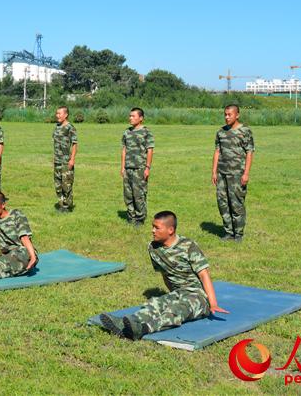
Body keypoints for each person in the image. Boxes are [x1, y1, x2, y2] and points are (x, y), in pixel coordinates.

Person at [99, 211, 228, 340]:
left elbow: (204, 275)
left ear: (170, 230)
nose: (152, 231)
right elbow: (165, 274)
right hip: (179, 293)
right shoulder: (153, 248)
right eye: (152, 226)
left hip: (198, 296)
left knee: (176, 310)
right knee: (155, 304)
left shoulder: (188, 246)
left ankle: (143, 329)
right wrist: (172, 296)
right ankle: (124, 323)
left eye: (157, 227)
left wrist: (213, 304)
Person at [211, 104, 254, 242]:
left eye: (229, 114)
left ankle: (239, 233)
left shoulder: (245, 131)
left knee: (236, 203)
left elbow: (249, 152)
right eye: (225, 114)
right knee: (223, 203)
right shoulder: (220, 132)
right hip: (222, 174)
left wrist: (246, 173)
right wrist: (214, 171)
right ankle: (228, 232)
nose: (226, 117)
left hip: (237, 174)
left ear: (237, 115)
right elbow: (217, 151)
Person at [121, 107, 155, 226]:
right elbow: (124, 150)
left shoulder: (146, 132)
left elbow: (149, 150)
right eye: (130, 116)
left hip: (140, 168)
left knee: (139, 194)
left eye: (133, 116)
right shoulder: (126, 132)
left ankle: (140, 218)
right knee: (128, 194)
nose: (130, 118)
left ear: (141, 118)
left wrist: (147, 167)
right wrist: (122, 167)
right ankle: (131, 216)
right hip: (128, 168)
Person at [53, 106, 78, 212]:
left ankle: (67, 206)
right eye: (57, 113)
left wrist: (72, 160)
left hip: (66, 161)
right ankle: (61, 204)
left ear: (66, 115)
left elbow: (75, 144)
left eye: (59, 113)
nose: (57, 115)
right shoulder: (57, 127)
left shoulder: (70, 127)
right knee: (58, 185)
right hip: (57, 161)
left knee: (66, 184)